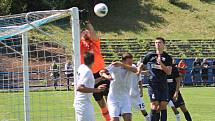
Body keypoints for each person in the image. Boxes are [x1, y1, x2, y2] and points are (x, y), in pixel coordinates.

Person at [80, 20, 111, 121]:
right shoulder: (79, 43)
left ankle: (113, 118)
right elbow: (75, 35)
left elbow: (93, 33)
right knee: (100, 102)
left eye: (87, 31)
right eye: (84, 31)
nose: (86, 32)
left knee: (109, 98)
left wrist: (88, 24)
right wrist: (77, 24)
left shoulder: (95, 42)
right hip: (90, 75)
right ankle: (108, 119)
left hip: (101, 72)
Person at [140, 37, 172, 121]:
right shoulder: (149, 55)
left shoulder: (167, 57)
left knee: (163, 105)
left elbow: (169, 72)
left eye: (159, 42)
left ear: (164, 44)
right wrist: (139, 70)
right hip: (153, 84)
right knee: (154, 105)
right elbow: (142, 65)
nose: (157, 44)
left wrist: (160, 63)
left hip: (163, 83)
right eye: (156, 43)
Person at [100, 53, 138, 121]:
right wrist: (107, 76)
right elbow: (101, 72)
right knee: (114, 119)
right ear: (123, 60)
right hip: (113, 98)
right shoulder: (115, 66)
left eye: (131, 62)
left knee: (128, 119)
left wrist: (121, 64)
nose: (131, 63)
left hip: (125, 98)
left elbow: (135, 70)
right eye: (129, 62)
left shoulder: (131, 67)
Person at [74, 52, 107, 121]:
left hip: (83, 102)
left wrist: (100, 79)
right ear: (94, 61)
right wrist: (97, 90)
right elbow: (80, 88)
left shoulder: (82, 67)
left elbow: (89, 83)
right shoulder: (87, 71)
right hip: (83, 104)